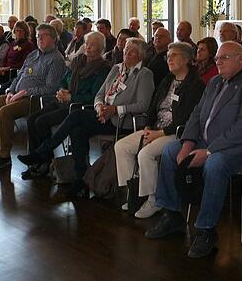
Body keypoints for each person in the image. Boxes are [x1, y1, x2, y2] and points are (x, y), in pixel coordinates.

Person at [143, 41, 242, 258]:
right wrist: (187, 144)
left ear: (241, 60)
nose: (218, 61)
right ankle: (172, 215)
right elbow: (196, 115)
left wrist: (209, 151)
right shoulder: (214, 82)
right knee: (169, 151)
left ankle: (206, 229)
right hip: (208, 142)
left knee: (215, 164)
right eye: (217, 58)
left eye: (224, 58)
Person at [18, 37, 154, 196]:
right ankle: (80, 180)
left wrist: (116, 109)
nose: (127, 53)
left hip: (122, 121)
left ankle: (43, 152)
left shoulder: (144, 74)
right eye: (126, 50)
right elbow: (100, 94)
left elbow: (143, 105)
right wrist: (99, 107)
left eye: (132, 51)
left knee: (76, 116)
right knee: (77, 131)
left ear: (140, 55)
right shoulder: (117, 69)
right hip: (103, 114)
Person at [114, 42, 205, 218]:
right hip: (156, 129)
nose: (169, 59)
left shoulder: (196, 85)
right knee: (122, 146)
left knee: (145, 154)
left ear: (186, 59)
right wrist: (148, 127)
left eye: (174, 55)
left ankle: (154, 198)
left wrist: (159, 134)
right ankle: (135, 192)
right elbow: (153, 107)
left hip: (176, 133)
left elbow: (187, 118)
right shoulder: (167, 80)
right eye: (167, 56)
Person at [0, 23, 67, 170]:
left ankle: (4, 156)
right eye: (38, 36)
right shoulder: (33, 55)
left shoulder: (56, 59)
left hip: (35, 100)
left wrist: (25, 92)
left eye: (43, 36)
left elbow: (51, 88)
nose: (39, 39)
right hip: (16, 95)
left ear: (54, 39)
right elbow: (19, 76)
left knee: (4, 112)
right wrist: (10, 91)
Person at [21, 31, 112, 180]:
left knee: (42, 122)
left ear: (101, 49)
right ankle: (38, 161)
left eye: (93, 45)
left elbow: (95, 96)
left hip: (78, 106)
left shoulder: (103, 68)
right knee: (32, 119)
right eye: (87, 44)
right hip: (63, 100)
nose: (88, 48)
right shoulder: (78, 61)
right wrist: (62, 90)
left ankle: (43, 161)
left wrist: (71, 97)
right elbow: (64, 80)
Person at [0, 20, 35, 96]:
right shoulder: (13, 43)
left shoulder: (28, 45)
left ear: (25, 32)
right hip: (6, 69)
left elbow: (25, 62)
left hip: (15, 71)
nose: (19, 33)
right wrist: (2, 67)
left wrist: (8, 68)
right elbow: (6, 57)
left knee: (1, 86)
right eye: (17, 31)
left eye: (21, 31)